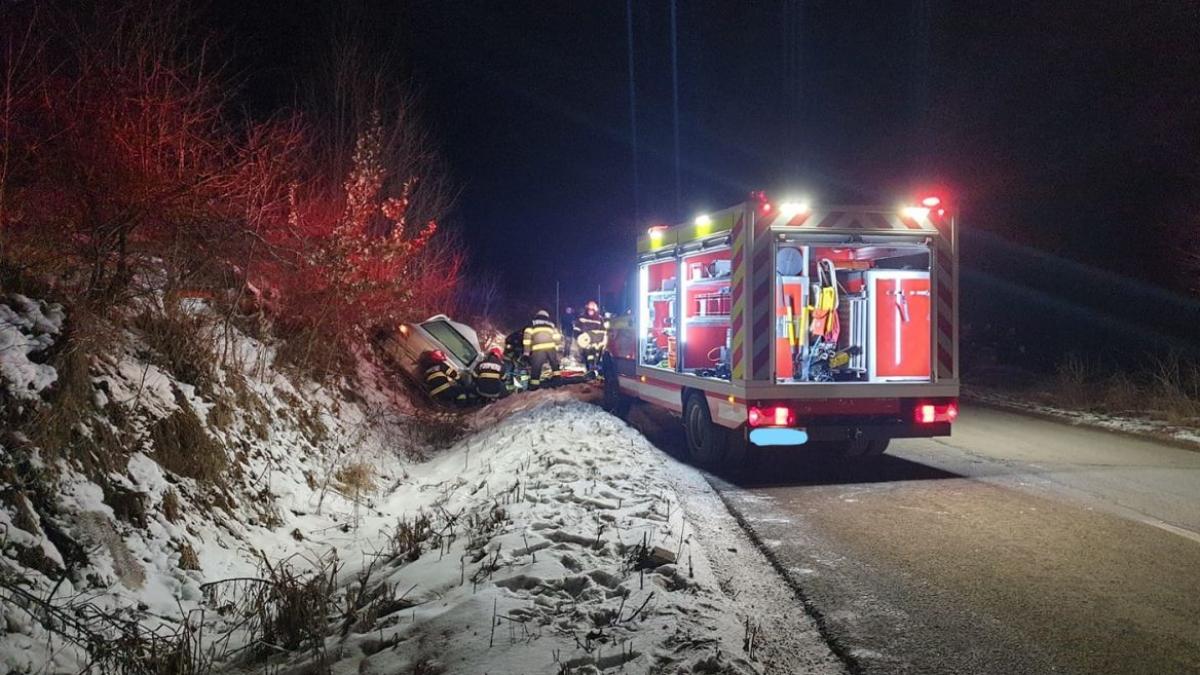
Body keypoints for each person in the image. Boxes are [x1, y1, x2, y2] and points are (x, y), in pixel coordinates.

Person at [522, 309, 562, 389]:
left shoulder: (532, 323)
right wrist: (557, 347)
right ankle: (558, 382)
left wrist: (526, 353)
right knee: (554, 365)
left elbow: (527, 338)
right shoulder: (551, 324)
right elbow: (557, 336)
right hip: (551, 347)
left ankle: (534, 385)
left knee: (536, 367)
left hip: (538, 348)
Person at [573, 300, 608, 378]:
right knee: (588, 358)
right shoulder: (582, 318)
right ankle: (590, 372)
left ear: (595, 310)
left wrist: (603, 342)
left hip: (597, 344)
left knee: (597, 359)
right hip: (586, 344)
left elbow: (603, 331)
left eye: (592, 310)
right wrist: (580, 339)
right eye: (589, 309)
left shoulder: (599, 319)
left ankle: (595, 373)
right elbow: (576, 330)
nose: (590, 311)